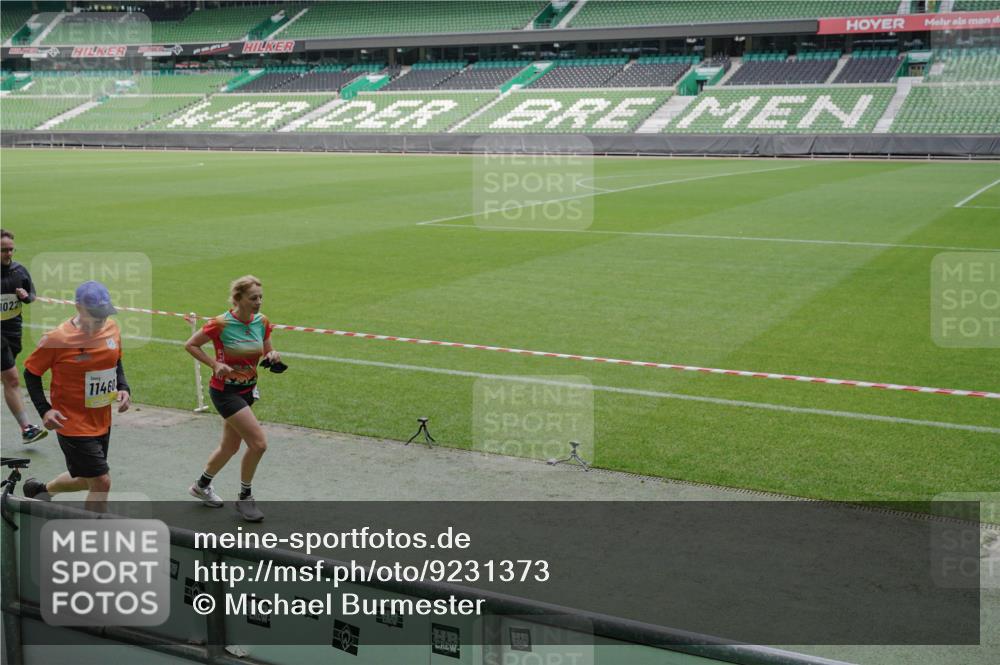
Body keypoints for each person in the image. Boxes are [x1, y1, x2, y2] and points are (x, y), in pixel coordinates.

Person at [21, 281, 131, 513]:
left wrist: (123, 387)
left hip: (101, 420)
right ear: (79, 307)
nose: (102, 319)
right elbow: (31, 373)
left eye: (105, 313)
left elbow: (116, 360)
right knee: (101, 482)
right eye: (96, 314)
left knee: (85, 479)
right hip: (70, 423)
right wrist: (45, 410)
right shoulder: (57, 339)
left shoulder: (112, 329)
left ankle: (42, 491)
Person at [185, 275, 278, 523]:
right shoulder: (221, 323)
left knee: (230, 447)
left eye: (261, 297)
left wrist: (272, 355)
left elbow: (267, 349)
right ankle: (245, 498)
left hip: (248, 390)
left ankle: (201, 486)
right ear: (238, 298)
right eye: (253, 298)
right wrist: (214, 364)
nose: (259, 302)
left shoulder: (262, 321)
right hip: (225, 392)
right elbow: (191, 345)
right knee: (258, 444)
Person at [1, 229, 47, 444]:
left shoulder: (19, 271)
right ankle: (27, 428)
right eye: (3, 250)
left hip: (13, 331)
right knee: (12, 379)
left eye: (11, 249)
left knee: (7, 379)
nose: (8, 253)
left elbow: (32, 296)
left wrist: (26, 296)